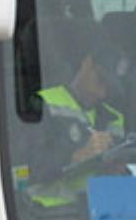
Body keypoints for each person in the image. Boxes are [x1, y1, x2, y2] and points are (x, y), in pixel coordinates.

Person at [28, 28, 130, 207]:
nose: (102, 93)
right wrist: (77, 156)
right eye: (100, 80)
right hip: (48, 215)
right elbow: (27, 169)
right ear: (87, 63)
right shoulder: (41, 104)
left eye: (110, 88)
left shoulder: (114, 118)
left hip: (100, 213)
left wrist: (118, 170)